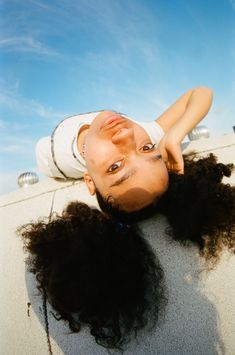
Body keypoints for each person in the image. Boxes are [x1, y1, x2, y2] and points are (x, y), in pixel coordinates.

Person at [36, 87, 213, 212]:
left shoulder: (55, 157)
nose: (126, 134)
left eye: (115, 167)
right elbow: (200, 92)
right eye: (146, 149)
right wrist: (174, 135)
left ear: (90, 181)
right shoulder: (143, 135)